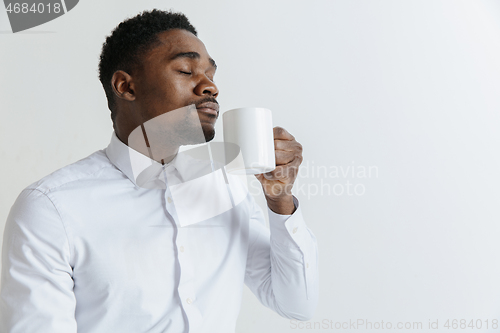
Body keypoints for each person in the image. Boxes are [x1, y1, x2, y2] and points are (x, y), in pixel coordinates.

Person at [0, 9, 318, 333]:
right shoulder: (51, 210)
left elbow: (295, 303)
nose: (210, 87)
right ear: (126, 86)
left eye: (211, 73)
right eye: (185, 69)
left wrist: (280, 200)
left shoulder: (226, 187)